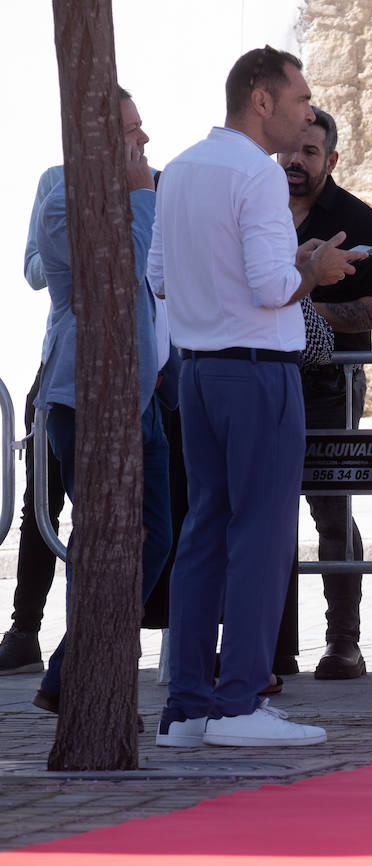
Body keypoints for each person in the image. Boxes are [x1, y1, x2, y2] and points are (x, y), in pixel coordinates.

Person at [148, 46, 364, 748]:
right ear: (261, 99)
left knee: (203, 533)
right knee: (262, 538)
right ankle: (238, 702)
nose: (308, 112)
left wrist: (285, 271)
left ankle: (186, 708)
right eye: (300, 99)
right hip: (258, 372)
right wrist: (319, 268)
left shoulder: (179, 169)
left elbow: (159, 276)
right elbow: (275, 289)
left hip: (200, 370)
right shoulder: (258, 176)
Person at [28, 87, 173, 723]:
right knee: (108, 542)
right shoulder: (63, 202)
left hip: (140, 394)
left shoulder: (140, 194)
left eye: (141, 129)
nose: (143, 142)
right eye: (129, 132)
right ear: (89, 137)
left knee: (155, 536)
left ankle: (70, 669)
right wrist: (143, 197)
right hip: (86, 398)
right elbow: (125, 267)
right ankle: (80, 678)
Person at [276, 105, 372, 681]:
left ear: (332, 158)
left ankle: (343, 642)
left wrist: (300, 304)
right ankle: (274, 647)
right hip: (264, 380)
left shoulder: (359, 220)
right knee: (265, 512)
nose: (295, 162)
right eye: (290, 150)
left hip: (331, 383)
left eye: (310, 153)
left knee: (331, 509)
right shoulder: (258, 209)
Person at [0, 165, 67, 676]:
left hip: (133, 372)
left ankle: (102, 634)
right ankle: (25, 631)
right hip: (58, 367)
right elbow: (34, 271)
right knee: (39, 506)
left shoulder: (149, 183)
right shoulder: (56, 181)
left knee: (109, 515)